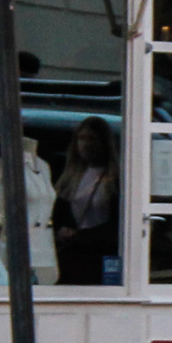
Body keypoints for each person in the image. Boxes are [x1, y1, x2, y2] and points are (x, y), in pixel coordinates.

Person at [51, 117, 122, 285]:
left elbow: (118, 224)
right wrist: (62, 231)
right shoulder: (70, 177)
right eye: (82, 139)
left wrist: (81, 235)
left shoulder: (115, 179)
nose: (86, 145)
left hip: (101, 254)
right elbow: (58, 214)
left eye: (92, 139)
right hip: (73, 255)